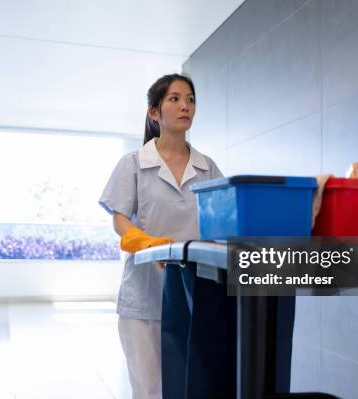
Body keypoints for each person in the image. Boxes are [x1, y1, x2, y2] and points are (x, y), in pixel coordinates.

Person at [98, 73, 224, 399]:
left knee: (191, 385)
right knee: (150, 390)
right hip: (144, 296)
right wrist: (146, 243)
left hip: (195, 293)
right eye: (175, 99)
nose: (185, 106)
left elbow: (223, 217)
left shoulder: (207, 167)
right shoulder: (134, 164)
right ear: (155, 112)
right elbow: (120, 219)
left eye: (191, 100)